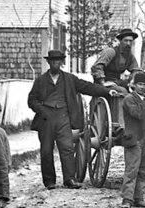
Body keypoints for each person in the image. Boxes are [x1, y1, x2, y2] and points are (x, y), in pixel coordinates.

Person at [28, 50, 117, 190]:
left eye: (58, 61)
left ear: (62, 62)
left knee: (67, 148)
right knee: (46, 150)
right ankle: (49, 181)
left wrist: (106, 91)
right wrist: (41, 110)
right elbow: (31, 99)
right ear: (48, 63)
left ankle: (69, 179)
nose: (55, 63)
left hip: (64, 117)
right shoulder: (41, 80)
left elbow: (87, 87)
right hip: (46, 118)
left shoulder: (69, 79)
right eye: (52, 61)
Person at [120, 71, 145, 208]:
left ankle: (139, 198)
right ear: (134, 85)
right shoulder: (129, 99)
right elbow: (139, 114)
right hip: (133, 137)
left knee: (144, 169)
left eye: (144, 85)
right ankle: (127, 199)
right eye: (139, 84)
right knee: (132, 169)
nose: (142, 87)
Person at [90, 28, 143, 93]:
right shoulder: (111, 51)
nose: (128, 43)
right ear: (120, 41)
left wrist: (133, 80)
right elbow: (97, 67)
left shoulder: (130, 56)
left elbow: (136, 70)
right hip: (103, 83)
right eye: (126, 41)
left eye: (130, 41)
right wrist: (103, 82)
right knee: (122, 90)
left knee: (137, 91)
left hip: (117, 81)